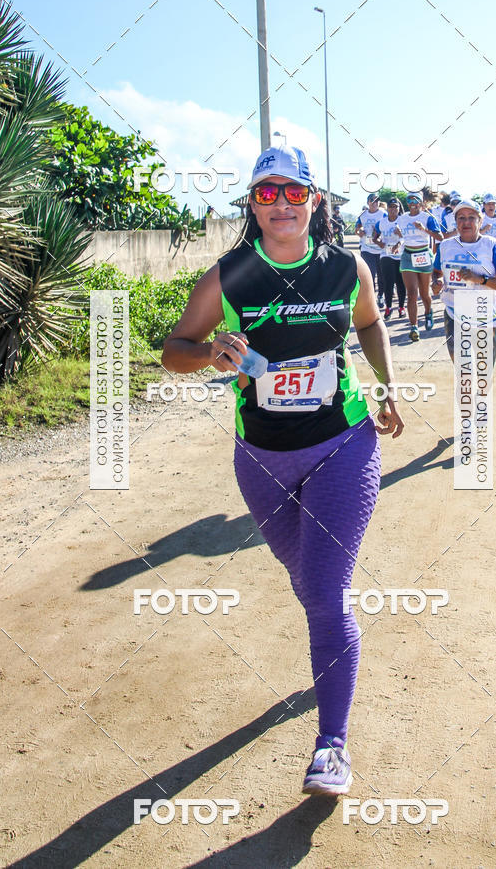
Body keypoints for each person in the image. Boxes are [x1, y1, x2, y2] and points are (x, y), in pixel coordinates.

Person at [161, 144, 404, 797]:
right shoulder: (230, 276)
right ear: (253, 205)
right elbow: (172, 350)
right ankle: (334, 648)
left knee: (326, 595)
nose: (281, 204)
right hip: (262, 457)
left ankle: (332, 746)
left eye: (293, 192)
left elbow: (372, 324)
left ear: (314, 201)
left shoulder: (345, 268)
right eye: (267, 194)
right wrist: (211, 351)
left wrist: (383, 387)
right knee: (307, 584)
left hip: (341, 441)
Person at [431, 199, 496, 362]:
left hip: (483, 312)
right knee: (462, 370)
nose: (466, 222)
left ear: (480, 220)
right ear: (455, 222)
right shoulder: (445, 246)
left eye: (471, 218)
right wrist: (436, 283)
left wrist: (480, 279)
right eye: (461, 218)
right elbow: (437, 272)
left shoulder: (493, 246)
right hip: (454, 312)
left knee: (483, 370)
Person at [393, 191, 443, 341]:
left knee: (424, 294)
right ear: (407, 203)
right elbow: (404, 237)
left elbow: (440, 237)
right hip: (408, 255)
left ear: (421, 202)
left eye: (416, 200)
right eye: (409, 200)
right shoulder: (402, 219)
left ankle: (428, 312)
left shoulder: (428, 218)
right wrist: (398, 242)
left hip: (423, 255)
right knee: (412, 294)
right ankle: (414, 327)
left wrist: (424, 229)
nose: (412, 203)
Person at [372, 197, 406, 319]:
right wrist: (378, 242)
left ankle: (401, 307)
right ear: (388, 208)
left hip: (401, 255)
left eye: (395, 207)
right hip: (386, 254)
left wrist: (400, 239)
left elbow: (408, 238)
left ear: (398, 208)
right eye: (391, 207)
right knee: (388, 281)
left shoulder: (403, 221)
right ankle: (388, 307)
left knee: (401, 282)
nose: (393, 210)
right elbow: (374, 237)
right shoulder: (381, 222)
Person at [355, 192, 386, 308]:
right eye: (372, 200)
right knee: (369, 275)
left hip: (380, 249)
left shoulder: (383, 214)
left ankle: (380, 296)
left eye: (377, 200)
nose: (375, 203)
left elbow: (389, 226)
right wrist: (360, 232)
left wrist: (377, 232)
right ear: (368, 202)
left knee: (381, 275)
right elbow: (356, 229)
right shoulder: (363, 215)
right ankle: (371, 298)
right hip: (366, 248)